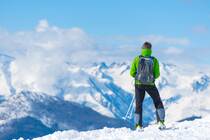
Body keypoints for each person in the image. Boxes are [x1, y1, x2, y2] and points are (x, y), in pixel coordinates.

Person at [130, 41, 165, 130]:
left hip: (139, 84)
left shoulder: (137, 59)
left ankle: (138, 125)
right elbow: (157, 74)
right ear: (150, 50)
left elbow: (131, 73)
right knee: (157, 101)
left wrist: (138, 77)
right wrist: (150, 78)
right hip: (150, 84)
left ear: (142, 49)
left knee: (139, 104)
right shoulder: (154, 60)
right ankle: (161, 122)